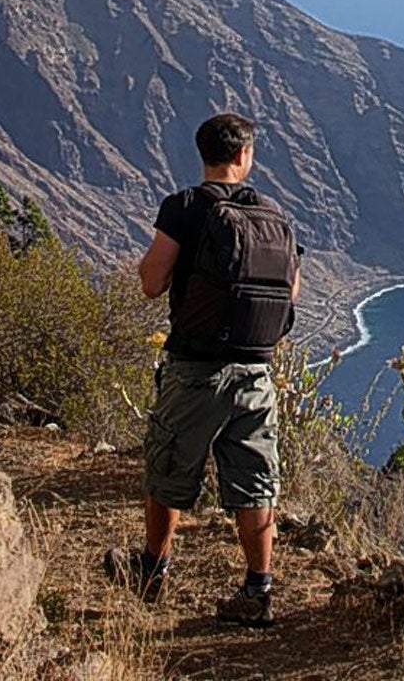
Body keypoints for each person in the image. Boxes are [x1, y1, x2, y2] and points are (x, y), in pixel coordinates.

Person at [107, 112, 301, 624]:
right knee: (255, 481)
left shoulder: (185, 207)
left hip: (195, 368)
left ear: (203, 154)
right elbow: (292, 292)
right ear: (245, 155)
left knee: (169, 467)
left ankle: (152, 571)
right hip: (256, 371)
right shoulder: (272, 213)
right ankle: (257, 592)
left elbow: (152, 281)